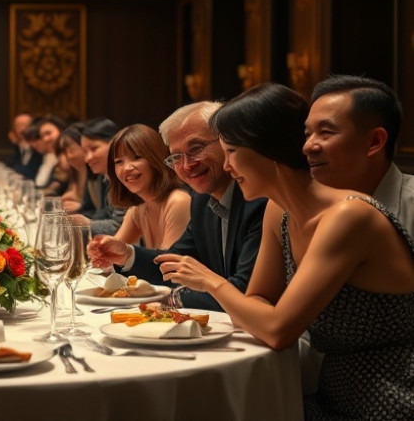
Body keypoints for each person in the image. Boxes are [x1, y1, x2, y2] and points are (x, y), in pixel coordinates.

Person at [158, 84, 414, 419]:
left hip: (390, 396)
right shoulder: (278, 211)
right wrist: (251, 307)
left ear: (268, 148)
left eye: (232, 151)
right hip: (328, 391)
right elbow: (255, 303)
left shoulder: (350, 215)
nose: (229, 167)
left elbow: (277, 330)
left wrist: (210, 282)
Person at [88, 102, 266, 311]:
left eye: (196, 149)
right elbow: (174, 263)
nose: (187, 165)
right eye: (176, 157)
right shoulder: (202, 201)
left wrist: (176, 298)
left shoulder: (257, 200)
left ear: (226, 143)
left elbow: (244, 289)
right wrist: (127, 254)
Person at [305, 75, 414, 232]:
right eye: (308, 134)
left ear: (374, 142)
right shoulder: (300, 209)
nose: (308, 147)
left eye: (325, 132)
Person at [102, 124, 191, 249]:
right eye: (119, 162)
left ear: (156, 158)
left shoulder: (178, 201)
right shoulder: (139, 209)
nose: (127, 168)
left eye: (137, 157)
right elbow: (112, 251)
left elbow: (168, 263)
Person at [69, 118, 125, 236]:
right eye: (85, 151)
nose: (88, 158)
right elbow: (103, 213)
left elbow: (120, 226)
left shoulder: (125, 177)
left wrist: (88, 224)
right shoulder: (104, 176)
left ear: (115, 143)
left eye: (94, 149)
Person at [57, 124, 87, 213]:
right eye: (64, 151)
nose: (67, 156)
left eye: (70, 150)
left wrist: (81, 207)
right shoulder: (75, 171)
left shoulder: (96, 172)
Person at [8, 113, 42, 180]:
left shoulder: (39, 148)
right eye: (18, 126)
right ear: (13, 129)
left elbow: (30, 173)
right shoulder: (18, 147)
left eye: (26, 125)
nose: (22, 129)